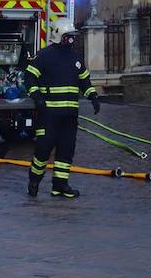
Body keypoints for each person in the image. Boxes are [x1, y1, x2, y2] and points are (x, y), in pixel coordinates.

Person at [25, 29, 100, 199]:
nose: (72, 40)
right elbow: (29, 77)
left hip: (69, 116)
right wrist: (36, 96)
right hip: (48, 114)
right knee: (43, 150)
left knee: (66, 151)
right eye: (69, 36)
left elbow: (84, 81)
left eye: (73, 37)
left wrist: (93, 96)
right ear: (60, 36)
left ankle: (60, 186)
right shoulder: (44, 56)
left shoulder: (76, 58)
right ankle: (34, 181)